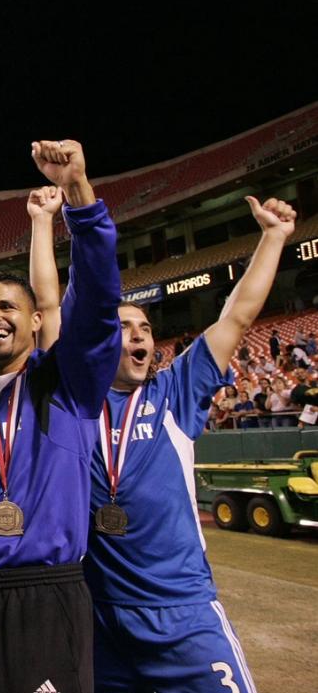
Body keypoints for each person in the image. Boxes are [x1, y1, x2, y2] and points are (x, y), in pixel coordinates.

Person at [77, 196, 293, 692]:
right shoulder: (76, 403)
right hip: (101, 618)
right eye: (123, 327)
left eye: (146, 329)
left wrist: (273, 237)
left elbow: (236, 315)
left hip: (182, 612)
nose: (139, 337)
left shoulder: (176, 389)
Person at [0, 140, 121, 693]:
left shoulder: (67, 384)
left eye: (8, 307)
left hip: (43, 597)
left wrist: (78, 199)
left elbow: (95, 306)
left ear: (37, 321)